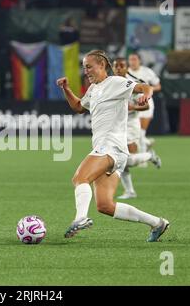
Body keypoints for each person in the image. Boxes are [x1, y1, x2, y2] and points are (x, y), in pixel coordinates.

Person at [56, 50, 169, 242]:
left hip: (111, 146)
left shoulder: (115, 83)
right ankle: (157, 223)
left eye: (89, 66)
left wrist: (146, 96)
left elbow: (145, 87)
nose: (86, 71)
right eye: (84, 68)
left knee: (79, 178)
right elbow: (78, 107)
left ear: (102, 65)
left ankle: (80, 218)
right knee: (105, 206)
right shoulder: (93, 89)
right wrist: (66, 89)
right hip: (109, 149)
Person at [113, 57, 161, 200]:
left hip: (131, 124)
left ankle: (149, 156)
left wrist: (133, 107)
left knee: (124, 159)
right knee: (121, 159)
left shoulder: (133, 84)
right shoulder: (111, 82)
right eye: (116, 66)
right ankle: (130, 191)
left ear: (126, 68)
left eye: (121, 66)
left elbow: (145, 105)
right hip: (117, 125)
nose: (118, 68)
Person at [127, 52, 161, 156]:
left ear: (139, 60)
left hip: (146, 102)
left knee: (141, 132)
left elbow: (158, 86)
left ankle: (144, 158)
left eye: (134, 59)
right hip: (131, 104)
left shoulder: (147, 71)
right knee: (135, 134)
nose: (132, 62)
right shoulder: (126, 73)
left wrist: (148, 89)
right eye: (130, 59)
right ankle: (146, 143)